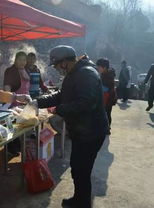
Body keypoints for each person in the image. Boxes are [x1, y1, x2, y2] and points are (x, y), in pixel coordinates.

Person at [31, 45, 108, 208]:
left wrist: (58, 109)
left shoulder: (86, 73)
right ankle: (79, 200)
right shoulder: (75, 73)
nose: (57, 70)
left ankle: (83, 203)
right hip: (83, 131)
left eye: (57, 65)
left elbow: (86, 103)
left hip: (91, 132)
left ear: (64, 62)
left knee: (81, 170)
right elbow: (62, 95)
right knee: (78, 168)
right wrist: (38, 102)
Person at [96, 58, 117, 132]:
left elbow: (106, 88)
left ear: (104, 67)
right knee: (105, 113)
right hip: (106, 97)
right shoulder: (104, 73)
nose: (98, 69)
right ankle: (104, 127)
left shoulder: (108, 75)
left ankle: (107, 128)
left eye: (99, 67)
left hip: (109, 98)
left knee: (107, 113)